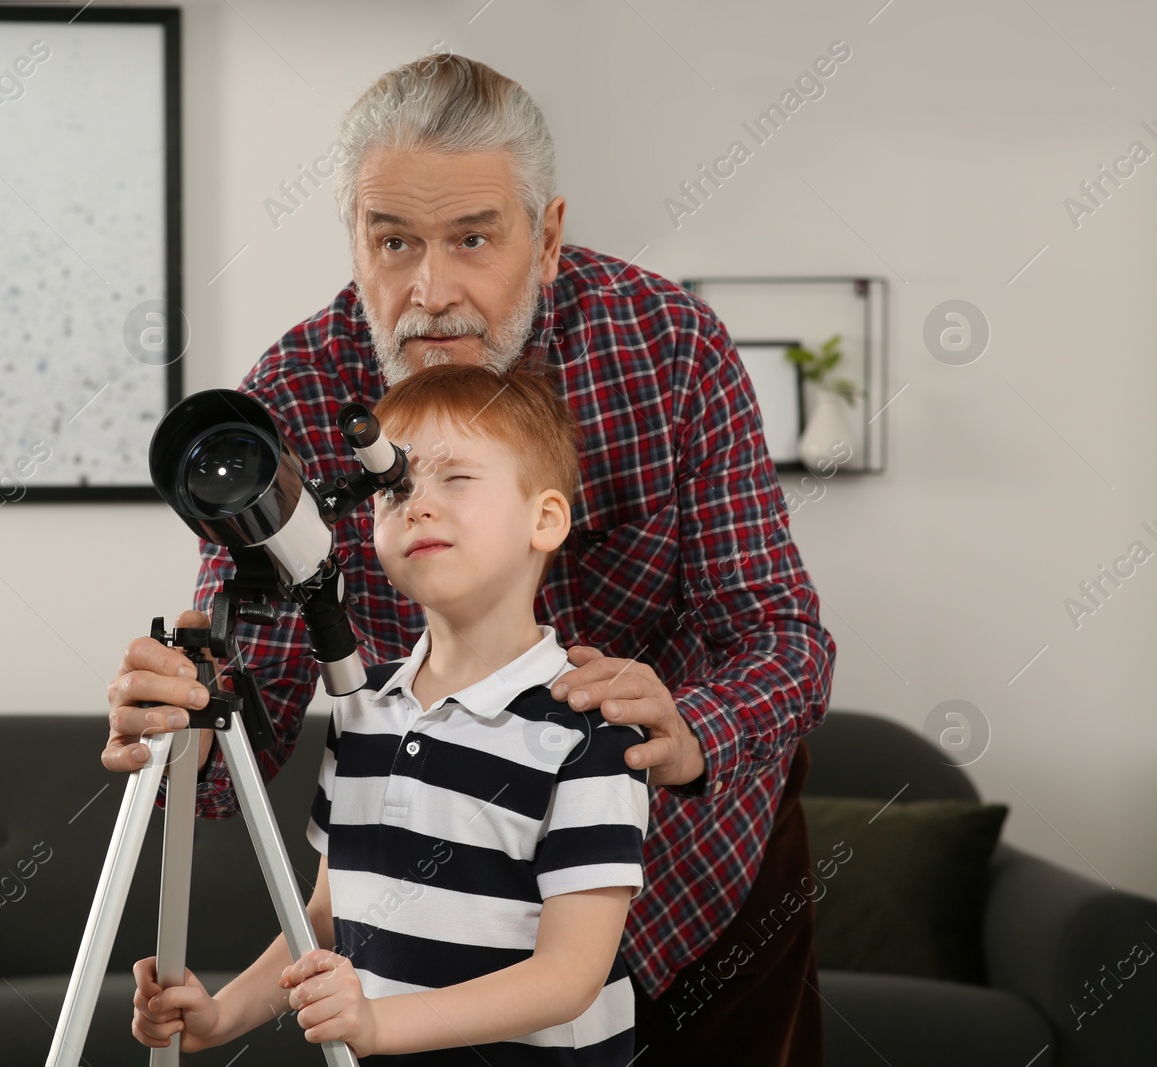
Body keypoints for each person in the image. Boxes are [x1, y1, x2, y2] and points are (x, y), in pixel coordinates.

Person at [107, 52, 837, 1065]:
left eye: (472, 238)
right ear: (353, 238)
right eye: (392, 239)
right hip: (444, 946)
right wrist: (185, 726)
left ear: (544, 238)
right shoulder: (291, 397)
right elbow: (257, 703)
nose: (429, 288)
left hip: (698, 869)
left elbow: (780, 637)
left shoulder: (667, 347)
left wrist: (690, 727)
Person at [132, 362, 651, 1062]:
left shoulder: (590, 730)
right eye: (397, 487)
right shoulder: (363, 708)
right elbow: (324, 916)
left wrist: (380, 1025)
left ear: (546, 517)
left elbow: (568, 977)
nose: (418, 504)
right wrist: (223, 1015)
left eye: (456, 477)